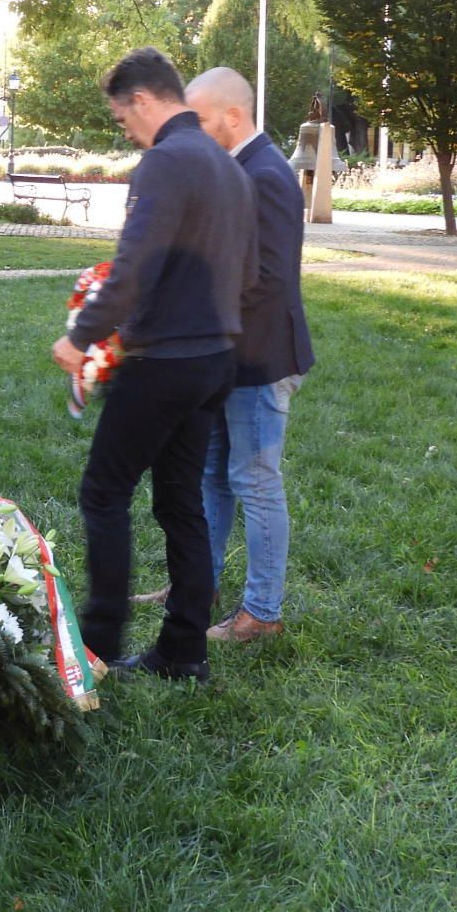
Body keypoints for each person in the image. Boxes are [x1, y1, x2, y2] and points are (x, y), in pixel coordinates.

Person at [54, 48, 257, 682]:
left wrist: (83, 336)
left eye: (122, 120)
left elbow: (134, 267)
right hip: (215, 358)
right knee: (179, 501)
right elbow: (246, 274)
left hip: (165, 363)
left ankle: (100, 643)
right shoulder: (228, 167)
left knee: (105, 492)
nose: (127, 132)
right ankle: (183, 651)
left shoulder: (167, 162)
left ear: (143, 100)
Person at [168, 67, 316, 643]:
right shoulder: (238, 169)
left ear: (232, 116)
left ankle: (262, 613)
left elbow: (269, 279)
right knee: (214, 475)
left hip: (261, 358)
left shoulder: (269, 175)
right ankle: (196, 586)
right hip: (229, 357)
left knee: (254, 480)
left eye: (200, 121)